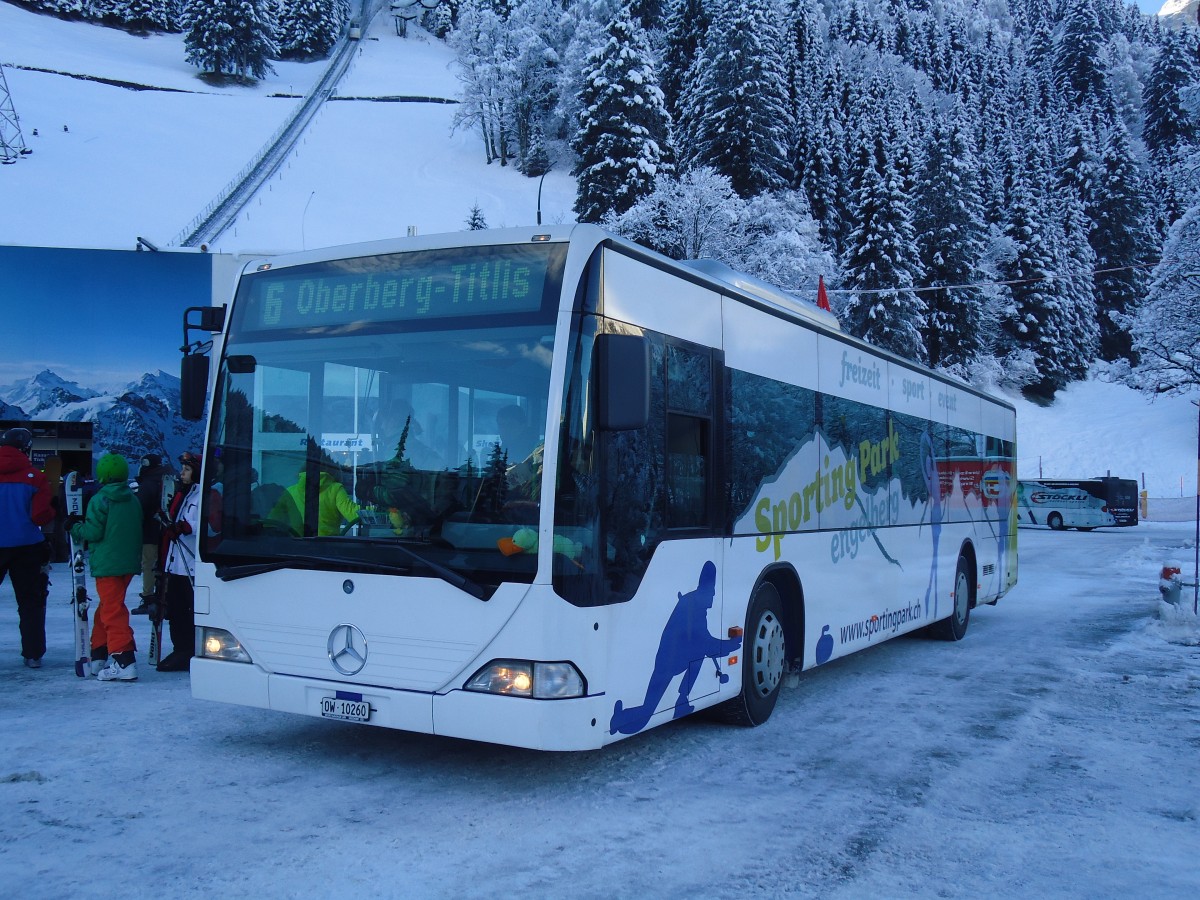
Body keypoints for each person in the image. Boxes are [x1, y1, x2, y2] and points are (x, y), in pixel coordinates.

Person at [70, 452, 142, 682]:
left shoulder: (100, 499)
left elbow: (92, 532)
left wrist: (74, 527)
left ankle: (123, 660)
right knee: (108, 607)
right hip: (128, 563)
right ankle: (99, 653)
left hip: (107, 564)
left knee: (112, 611)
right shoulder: (132, 498)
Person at [0, 427, 55, 668]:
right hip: (27, 546)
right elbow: (40, 516)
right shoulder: (35, 477)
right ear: (27, 448)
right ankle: (33, 654)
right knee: (30, 602)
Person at [157, 451, 201, 671]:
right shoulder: (185, 493)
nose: (182, 473)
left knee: (187, 610)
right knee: (175, 609)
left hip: (190, 564)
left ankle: (189, 649)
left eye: (187, 469)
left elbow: (204, 524)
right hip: (176, 562)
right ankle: (180, 648)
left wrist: (184, 527)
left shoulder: (202, 495)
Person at [269, 459, 360, 537]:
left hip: (296, 546)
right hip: (328, 547)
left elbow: (272, 522)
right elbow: (353, 514)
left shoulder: (290, 491)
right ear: (334, 468)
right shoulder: (336, 489)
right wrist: (373, 510)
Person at [131, 453, 171, 615]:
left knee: (148, 564)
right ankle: (165, 596)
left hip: (149, 531)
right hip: (165, 531)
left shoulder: (147, 484)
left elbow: (139, 508)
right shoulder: (166, 480)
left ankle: (149, 597)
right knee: (164, 565)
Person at [374, 398, 443, 469]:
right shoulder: (416, 447)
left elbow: (390, 478)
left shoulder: (396, 450)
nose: (382, 426)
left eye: (383, 421)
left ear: (393, 421)